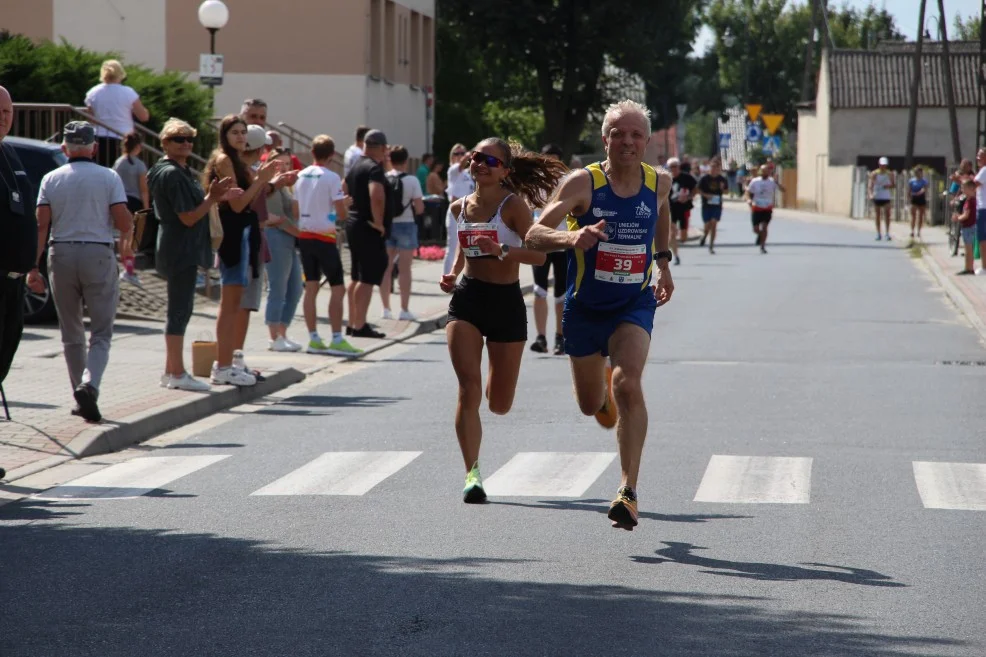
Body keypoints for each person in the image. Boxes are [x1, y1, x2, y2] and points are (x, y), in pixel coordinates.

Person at [526, 99, 674, 531]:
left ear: (646, 141)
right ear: (605, 139)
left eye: (635, 134)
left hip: (634, 302)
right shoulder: (583, 184)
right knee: (592, 404)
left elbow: (661, 214)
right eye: (618, 134)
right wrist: (571, 239)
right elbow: (534, 235)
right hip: (585, 306)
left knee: (630, 382)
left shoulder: (658, 183)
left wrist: (662, 262)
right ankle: (604, 395)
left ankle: (627, 491)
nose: (627, 142)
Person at [439, 138, 563, 503]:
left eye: (490, 160)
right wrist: (452, 272)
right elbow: (464, 246)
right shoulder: (457, 206)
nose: (479, 163)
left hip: (507, 304)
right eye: (476, 157)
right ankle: (472, 474)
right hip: (468, 299)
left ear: (505, 170)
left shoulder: (514, 207)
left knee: (499, 403)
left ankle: (496, 394)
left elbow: (540, 258)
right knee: (468, 388)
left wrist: (503, 250)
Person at [29, 121, 134, 422]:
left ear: (64, 148)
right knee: (101, 331)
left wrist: (33, 267)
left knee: (71, 331)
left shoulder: (51, 179)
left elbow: (41, 225)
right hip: (97, 252)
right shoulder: (108, 177)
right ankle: (90, 385)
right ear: (94, 147)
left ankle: (78, 392)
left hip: (60, 252)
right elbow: (124, 222)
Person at [148, 118, 233, 391]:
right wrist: (212, 198)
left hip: (180, 246)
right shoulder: (171, 173)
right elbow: (187, 217)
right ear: (164, 142)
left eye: (189, 139)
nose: (186, 143)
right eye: (178, 139)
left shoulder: (177, 170)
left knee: (181, 309)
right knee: (179, 310)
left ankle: (170, 371)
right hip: (179, 247)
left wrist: (214, 196)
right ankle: (178, 373)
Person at [204, 115, 281, 387]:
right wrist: (260, 181)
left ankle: (229, 363)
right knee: (230, 305)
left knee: (236, 304)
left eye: (242, 132)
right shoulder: (225, 160)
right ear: (224, 135)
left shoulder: (239, 163)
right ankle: (223, 366)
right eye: (234, 132)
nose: (240, 137)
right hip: (233, 236)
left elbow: (252, 193)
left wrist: (268, 181)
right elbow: (238, 205)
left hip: (245, 235)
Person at [294, 135, 362, 356]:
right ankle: (336, 337)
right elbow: (341, 213)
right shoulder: (332, 177)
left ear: (312, 152)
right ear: (332, 155)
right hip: (324, 236)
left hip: (304, 235)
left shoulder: (300, 176)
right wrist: (341, 208)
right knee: (337, 288)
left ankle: (313, 338)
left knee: (311, 287)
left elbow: (295, 211)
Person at [0, 86, 39, 399]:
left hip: (15, 277)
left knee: (9, 341)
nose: (3, 118)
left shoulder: (10, 152)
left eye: (7, 112)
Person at [344, 129, 391, 339]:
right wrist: (379, 223)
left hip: (354, 223)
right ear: (382, 148)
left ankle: (353, 322)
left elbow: (344, 188)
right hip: (367, 227)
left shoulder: (355, 165)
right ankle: (360, 325)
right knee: (367, 277)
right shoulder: (374, 168)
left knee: (356, 276)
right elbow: (377, 195)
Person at [263, 148, 304, 352]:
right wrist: (302, 234)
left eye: (288, 164)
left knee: (296, 288)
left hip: (288, 238)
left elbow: (294, 213)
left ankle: (282, 332)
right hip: (276, 238)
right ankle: (274, 337)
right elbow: (278, 219)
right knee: (278, 287)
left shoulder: (285, 188)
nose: (285, 168)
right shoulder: (270, 187)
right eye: (280, 164)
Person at [529, 143, 568, 355]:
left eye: (554, 160)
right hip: (541, 242)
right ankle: (541, 336)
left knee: (561, 292)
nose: (550, 164)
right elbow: (528, 209)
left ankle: (560, 337)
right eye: (546, 160)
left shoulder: (568, 181)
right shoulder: (534, 182)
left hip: (562, 242)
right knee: (539, 290)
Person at [382, 145, 425, 321]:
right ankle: (404, 309)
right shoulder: (412, 181)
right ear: (406, 161)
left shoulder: (383, 179)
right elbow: (420, 208)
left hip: (387, 226)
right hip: (406, 224)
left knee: (386, 268)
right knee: (405, 269)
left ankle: (386, 309)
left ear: (390, 160)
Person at [84, 60, 150, 167]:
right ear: (121, 74)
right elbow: (144, 117)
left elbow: (90, 119)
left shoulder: (93, 92)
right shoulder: (128, 92)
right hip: (123, 140)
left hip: (99, 139)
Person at [112, 133, 148, 285]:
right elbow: (144, 189)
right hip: (134, 202)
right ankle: (129, 270)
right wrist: (147, 208)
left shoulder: (118, 163)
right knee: (131, 239)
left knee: (122, 236)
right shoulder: (139, 165)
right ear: (138, 146)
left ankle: (125, 267)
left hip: (121, 200)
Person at [442, 143, 472, 275]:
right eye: (457, 153)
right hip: (456, 212)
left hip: (468, 213)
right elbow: (461, 164)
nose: (460, 156)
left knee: (467, 248)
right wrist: (472, 152)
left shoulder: (468, 174)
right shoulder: (453, 170)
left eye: (462, 153)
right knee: (453, 247)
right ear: (452, 156)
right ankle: (448, 277)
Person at [745, 165, 785, 254]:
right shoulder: (755, 181)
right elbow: (748, 192)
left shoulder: (772, 182)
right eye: (763, 171)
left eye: (766, 171)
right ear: (760, 172)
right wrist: (749, 200)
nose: (765, 173)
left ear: (769, 172)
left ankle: (762, 246)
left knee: (764, 227)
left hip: (767, 207)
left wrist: (777, 182)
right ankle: (760, 235)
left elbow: (783, 190)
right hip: (757, 206)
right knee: (755, 229)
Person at [667, 157, 695, 266]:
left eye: (675, 166)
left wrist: (688, 197)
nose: (673, 169)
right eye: (671, 167)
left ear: (679, 167)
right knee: (672, 233)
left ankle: (678, 238)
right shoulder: (665, 178)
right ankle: (676, 256)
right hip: (670, 209)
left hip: (684, 208)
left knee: (683, 238)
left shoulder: (686, 177)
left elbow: (695, 188)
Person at [697, 158, 727, 254]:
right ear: (710, 167)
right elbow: (698, 190)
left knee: (713, 224)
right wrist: (706, 195)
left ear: (719, 168)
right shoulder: (704, 178)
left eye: (716, 167)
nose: (714, 169)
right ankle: (705, 236)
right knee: (707, 226)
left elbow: (726, 191)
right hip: (706, 204)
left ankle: (711, 246)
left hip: (717, 204)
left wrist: (722, 188)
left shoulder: (722, 179)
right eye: (712, 167)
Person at [953, 179, 978, 275]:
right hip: (967, 226)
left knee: (968, 249)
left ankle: (969, 268)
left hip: (969, 226)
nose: (962, 190)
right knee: (967, 248)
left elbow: (966, 215)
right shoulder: (968, 200)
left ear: (971, 188)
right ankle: (968, 267)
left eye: (964, 188)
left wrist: (958, 218)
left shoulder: (971, 201)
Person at [869, 157, 895, 240]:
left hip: (886, 196)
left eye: (884, 165)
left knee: (887, 214)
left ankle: (887, 233)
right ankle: (878, 233)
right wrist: (870, 194)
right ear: (879, 164)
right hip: (877, 195)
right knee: (878, 215)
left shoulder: (889, 174)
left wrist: (889, 186)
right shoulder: (874, 173)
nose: (883, 166)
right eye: (881, 165)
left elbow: (893, 184)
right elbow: (870, 185)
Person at [907, 167, 928, 240]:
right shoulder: (911, 181)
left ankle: (919, 231)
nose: (918, 174)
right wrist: (908, 197)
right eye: (916, 172)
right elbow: (909, 190)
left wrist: (919, 193)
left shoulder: (924, 181)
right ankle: (912, 231)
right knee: (913, 216)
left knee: (921, 216)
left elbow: (925, 189)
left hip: (921, 198)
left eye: (919, 172)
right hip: (914, 198)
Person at [974, 148, 986, 274]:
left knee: (982, 238)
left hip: (983, 208)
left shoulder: (984, 170)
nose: (978, 158)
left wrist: (960, 179)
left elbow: (973, 185)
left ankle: (984, 267)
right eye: (977, 155)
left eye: (981, 156)